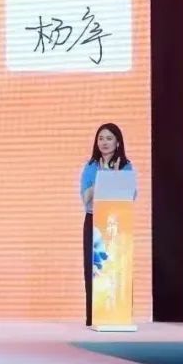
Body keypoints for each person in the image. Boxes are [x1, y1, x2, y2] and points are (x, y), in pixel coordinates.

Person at [79, 123, 135, 327]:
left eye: (109, 138)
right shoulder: (91, 166)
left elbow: (131, 195)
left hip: (118, 224)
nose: (104, 142)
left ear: (118, 142)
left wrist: (116, 176)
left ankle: (118, 315)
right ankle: (93, 317)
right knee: (93, 269)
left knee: (117, 268)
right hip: (94, 221)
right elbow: (85, 198)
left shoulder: (126, 166)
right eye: (101, 138)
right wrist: (102, 177)